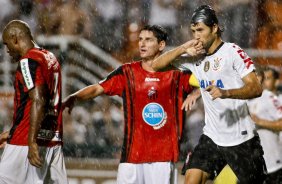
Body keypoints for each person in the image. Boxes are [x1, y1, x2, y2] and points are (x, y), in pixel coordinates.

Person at [63, 25, 202, 184]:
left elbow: (204, 81)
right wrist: (73, 97)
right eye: (140, 39)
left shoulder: (176, 74)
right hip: (132, 157)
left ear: (161, 45)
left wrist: (195, 93)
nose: (142, 44)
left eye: (148, 40)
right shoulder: (127, 72)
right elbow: (97, 89)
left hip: (163, 158)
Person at [152, 5, 266, 184]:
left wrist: (226, 92)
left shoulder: (232, 52)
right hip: (212, 137)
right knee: (191, 180)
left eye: (200, 30)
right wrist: (183, 48)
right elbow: (155, 66)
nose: (196, 36)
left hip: (242, 139)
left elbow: (256, 88)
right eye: (193, 31)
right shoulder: (194, 57)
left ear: (214, 28)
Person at [0, 20, 68, 184]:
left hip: (26, 144)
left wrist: (31, 142)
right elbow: (39, 104)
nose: (6, 50)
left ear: (15, 38)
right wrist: (11, 132)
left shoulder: (27, 61)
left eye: (6, 43)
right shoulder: (50, 57)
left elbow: (39, 100)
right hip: (52, 140)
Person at [249, 67, 282, 184]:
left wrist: (259, 121)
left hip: (273, 162)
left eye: (268, 78)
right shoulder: (244, 99)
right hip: (251, 163)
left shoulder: (270, 97)